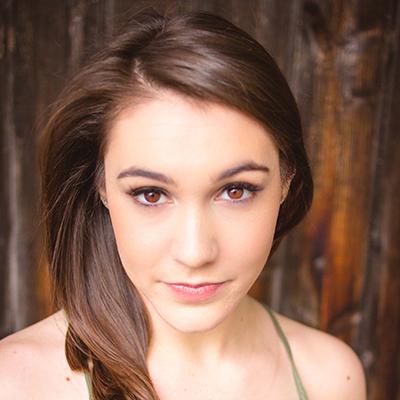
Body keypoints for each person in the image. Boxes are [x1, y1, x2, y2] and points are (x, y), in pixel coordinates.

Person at [0, 9, 367, 400]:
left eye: (236, 190)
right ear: (101, 185)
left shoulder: (330, 378)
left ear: (286, 182)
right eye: (151, 194)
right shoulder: (15, 384)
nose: (195, 253)